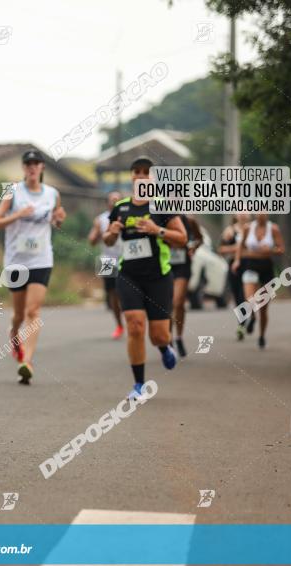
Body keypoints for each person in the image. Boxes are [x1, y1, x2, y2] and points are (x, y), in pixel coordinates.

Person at [103, 157, 187, 399]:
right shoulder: (121, 207)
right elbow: (108, 239)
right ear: (131, 176)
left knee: (158, 334)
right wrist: (112, 233)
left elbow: (182, 238)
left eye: (146, 172)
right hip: (129, 275)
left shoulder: (162, 205)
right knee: (135, 326)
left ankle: (164, 347)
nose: (141, 176)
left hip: (158, 277)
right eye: (136, 172)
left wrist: (157, 230)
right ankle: (138, 384)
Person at [0, 148, 66, 384]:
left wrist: (59, 220)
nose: (32, 167)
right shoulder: (13, 192)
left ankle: (27, 362)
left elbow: (57, 220)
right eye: (28, 164)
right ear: (24, 168)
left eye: (36, 163)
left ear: (42, 167)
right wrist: (18, 214)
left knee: (33, 312)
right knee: (19, 314)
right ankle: (14, 333)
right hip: (16, 260)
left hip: (41, 258)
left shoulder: (52, 194)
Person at [232, 213, 284, 349]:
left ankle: (261, 336)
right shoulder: (248, 228)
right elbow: (240, 247)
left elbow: (281, 249)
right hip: (250, 266)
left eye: (264, 211)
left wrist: (271, 249)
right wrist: (237, 260)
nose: (261, 214)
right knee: (250, 299)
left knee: (263, 307)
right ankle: (252, 318)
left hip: (266, 268)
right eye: (259, 211)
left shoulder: (273, 229)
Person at [88, 191, 124, 339]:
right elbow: (91, 240)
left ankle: (132, 318)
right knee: (112, 294)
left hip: (125, 258)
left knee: (126, 292)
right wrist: (96, 235)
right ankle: (119, 325)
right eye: (112, 200)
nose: (114, 202)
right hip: (107, 260)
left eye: (117, 200)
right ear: (107, 203)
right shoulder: (101, 219)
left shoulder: (128, 217)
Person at [169, 214, 202, 356]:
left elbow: (199, 239)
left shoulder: (189, 220)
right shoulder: (160, 218)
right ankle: (168, 339)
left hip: (182, 265)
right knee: (167, 304)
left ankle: (179, 337)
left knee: (178, 302)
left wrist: (193, 247)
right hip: (165, 264)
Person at [218, 213, 252, 340]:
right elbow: (221, 249)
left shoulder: (253, 229)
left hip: (250, 264)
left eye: (245, 211)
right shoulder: (230, 231)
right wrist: (236, 248)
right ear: (235, 215)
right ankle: (242, 323)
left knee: (246, 295)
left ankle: (248, 319)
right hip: (234, 266)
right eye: (240, 211)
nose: (243, 214)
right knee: (237, 296)